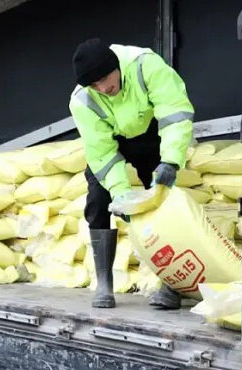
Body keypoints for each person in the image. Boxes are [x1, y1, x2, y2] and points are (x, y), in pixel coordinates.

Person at [69, 38, 195, 311]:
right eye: (94, 85)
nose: (103, 88)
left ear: (115, 66)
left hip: (151, 135)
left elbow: (174, 113)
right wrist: (121, 193)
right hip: (114, 142)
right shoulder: (82, 100)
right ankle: (104, 282)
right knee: (98, 200)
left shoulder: (145, 65)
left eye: (105, 78)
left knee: (163, 200)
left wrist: (171, 161)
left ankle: (171, 283)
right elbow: (101, 151)